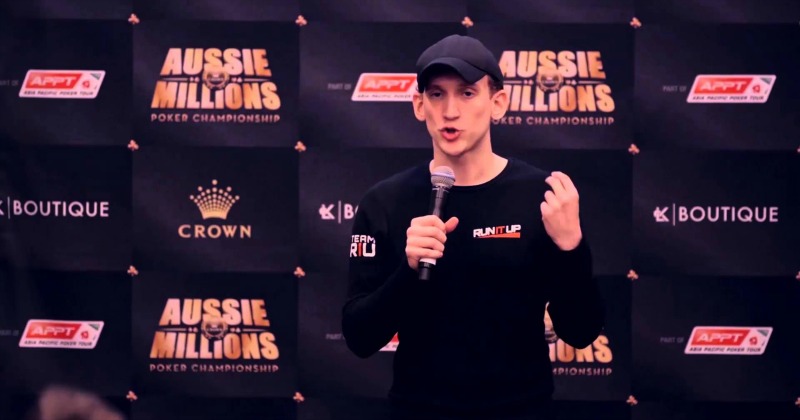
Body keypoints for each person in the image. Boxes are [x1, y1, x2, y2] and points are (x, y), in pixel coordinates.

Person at [341, 34, 605, 420]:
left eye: (467, 93)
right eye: (436, 94)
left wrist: (572, 248)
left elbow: (581, 332)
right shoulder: (385, 202)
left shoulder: (542, 197)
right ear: (419, 106)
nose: (450, 111)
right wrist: (408, 271)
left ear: (498, 103)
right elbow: (359, 337)